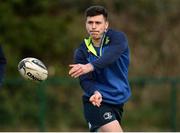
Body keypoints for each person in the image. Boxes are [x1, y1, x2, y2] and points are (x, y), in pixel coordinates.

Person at [69, 5, 131, 132]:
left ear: (106, 25)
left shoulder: (118, 39)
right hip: (96, 102)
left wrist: (90, 66)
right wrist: (94, 92)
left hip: (118, 101)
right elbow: (85, 80)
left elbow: (110, 57)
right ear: (86, 24)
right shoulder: (81, 51)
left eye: (98, 22)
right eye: (90, 22)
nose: (93, 26)